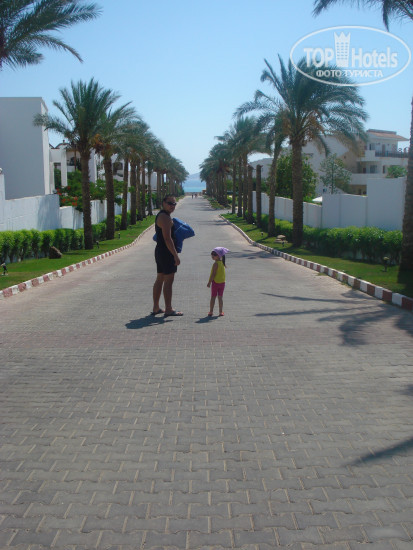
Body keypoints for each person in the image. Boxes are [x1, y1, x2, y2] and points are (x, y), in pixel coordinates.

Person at [152, 195, 183, 317]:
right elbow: (167, 238)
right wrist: (175, 255)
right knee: (168, 281)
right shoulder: (164, 217)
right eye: (169, 203)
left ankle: (156, 307)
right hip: (166, 252)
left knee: (160, 278)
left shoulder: (162, 215)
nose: (172, 206)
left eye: (174, 204)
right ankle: (169, 309)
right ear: (163, 203)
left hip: (160, 251)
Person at [207, 247, 229, 317]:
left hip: (215, 283)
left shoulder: (215, 264)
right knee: (220, 297)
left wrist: (209, 282)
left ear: (219, 256)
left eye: (214, 254)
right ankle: (220, 311)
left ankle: (211, 311)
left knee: (213, 297)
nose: (212, 256)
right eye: (212, 254)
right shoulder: (222, 263)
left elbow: (213, 274)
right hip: (222, 283)